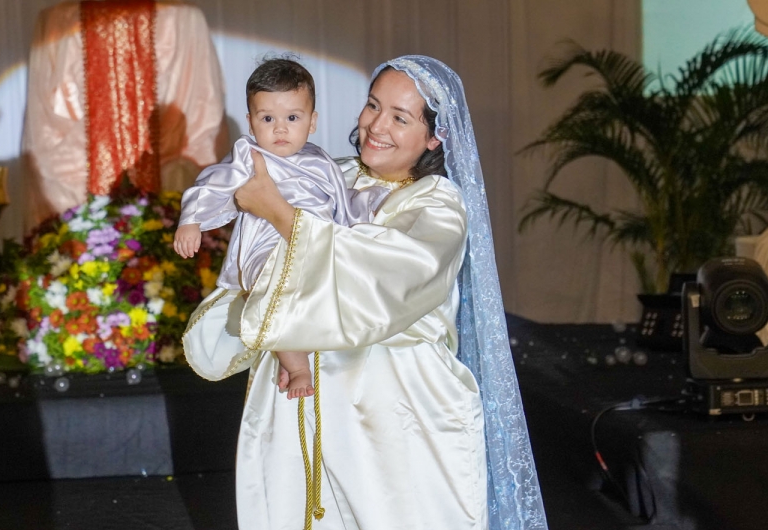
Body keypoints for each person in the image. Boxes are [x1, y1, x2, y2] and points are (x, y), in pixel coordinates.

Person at [183, 55, 547, 530]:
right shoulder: (329, 173)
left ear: (434, 136)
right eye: (373, 106)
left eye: (400, 117)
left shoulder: (437, 204)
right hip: (296, 395)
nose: (376, 125)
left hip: (390, 413)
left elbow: (382, 274)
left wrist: (279, 213)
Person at [174, 58, 386, 399]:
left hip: (314, 245)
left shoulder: (322, 161)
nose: (280, 129)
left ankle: (311, 344)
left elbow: (340, 205)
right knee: (274, 294)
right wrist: (191, 220)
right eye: (268, 119)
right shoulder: (249, 155)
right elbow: (211, 184)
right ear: (250, 122)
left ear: (312, 121)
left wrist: (365, 208)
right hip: (266, 248)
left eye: (292, 118)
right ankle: (296, 366)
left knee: (326, 292)